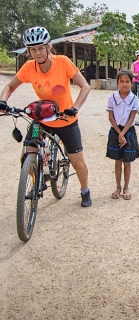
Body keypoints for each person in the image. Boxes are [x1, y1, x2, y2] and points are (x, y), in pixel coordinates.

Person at [0, 26, 92, 207]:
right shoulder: (28, 67)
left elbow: (85, 87)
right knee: (27, 154)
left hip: (66, 120)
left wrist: (75, 107)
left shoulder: (63, 62)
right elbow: (9, 86)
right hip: (42, 118)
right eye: (33, 49)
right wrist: (3, 101)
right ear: (29, 51)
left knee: (78, 164)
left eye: (41, 48)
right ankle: (38, 177)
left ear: (48, 47)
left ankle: (85, 190)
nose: (37, 53)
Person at [106, 70, 139, 200]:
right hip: (116, 131)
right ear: (117, 82)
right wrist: (119, 134)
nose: (124, 84)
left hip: (129, 131)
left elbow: (132, 118)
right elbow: (111, 117)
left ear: (131, 83)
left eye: (127, 81)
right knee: (117, 161)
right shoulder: (112, 98)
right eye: (122, 81)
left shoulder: (134, 99)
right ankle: (118, 187)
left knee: (127, 161)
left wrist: (123, 133)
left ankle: (126, 187)